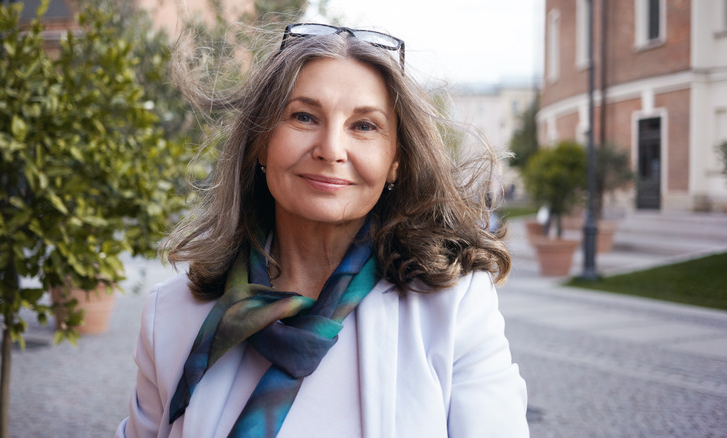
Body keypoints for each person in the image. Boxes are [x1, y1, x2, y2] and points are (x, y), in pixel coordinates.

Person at [116, 22, 528, 437]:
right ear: (261, 142)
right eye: (303, 116)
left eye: (364, 126)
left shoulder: (455, 309)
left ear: (396, 161)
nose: (330, 149)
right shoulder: (170, 316)